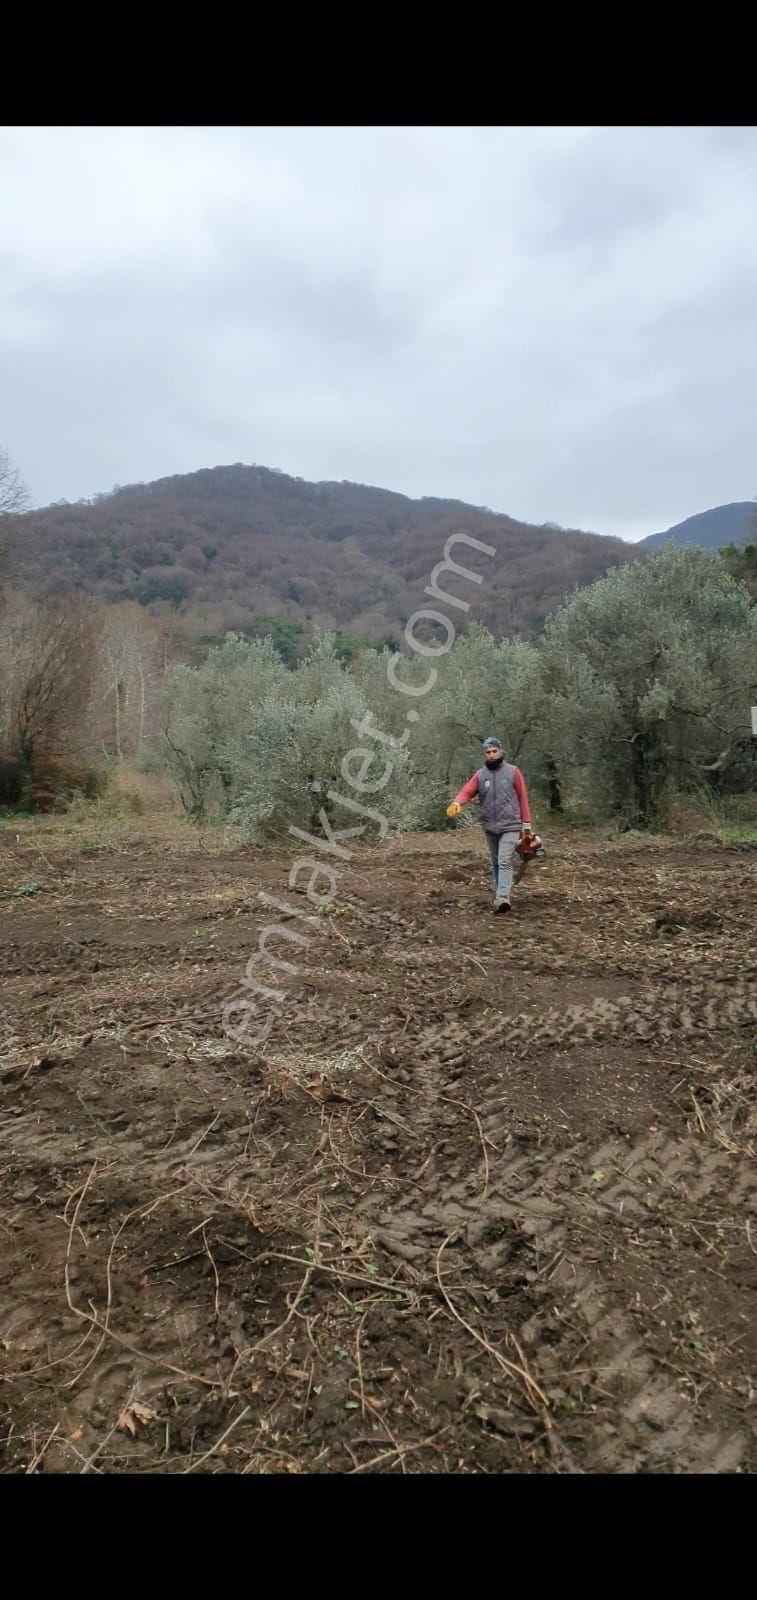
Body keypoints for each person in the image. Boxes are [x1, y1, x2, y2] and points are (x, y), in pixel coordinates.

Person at [446, 736, 533, 913]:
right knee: (494, 862)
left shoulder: (512, 772)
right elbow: (467, 791)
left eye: (494, 751)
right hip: (490, 826)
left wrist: (526, 824)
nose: (491, 755)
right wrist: (456, 803)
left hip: (510, 824)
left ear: (501, 752)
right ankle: (500, 891)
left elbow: (523, 797)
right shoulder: (480, 775)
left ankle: (502, 898)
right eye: (488, 752)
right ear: (485, 755)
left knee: (503, 860)